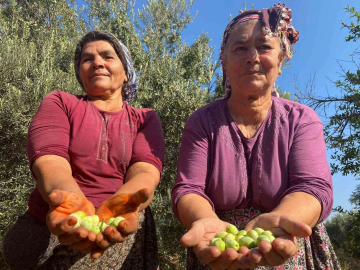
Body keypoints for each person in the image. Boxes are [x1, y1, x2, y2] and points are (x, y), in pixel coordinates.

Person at [171, 4, 340, 270]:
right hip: (218, 249)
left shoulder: (301, 119)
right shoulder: (202, 122)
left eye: (264, 47)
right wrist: (205, 220)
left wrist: (283, 219)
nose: (252, 56)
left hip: (286, 245)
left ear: (281, 60)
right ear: (224, 61)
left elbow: (313, 187)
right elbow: (189, 189)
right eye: (240, 48)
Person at [3, 30, 164, 269]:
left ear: (126, 73)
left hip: (118, 222)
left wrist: (125, 203)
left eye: (108, 56)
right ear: (80, 73)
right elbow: (50, 160)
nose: (97, 62)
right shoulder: (60, 102)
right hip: (53, 223)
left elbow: (145, 171)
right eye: (87, 59)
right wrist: (69, 201)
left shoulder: (145, 118)